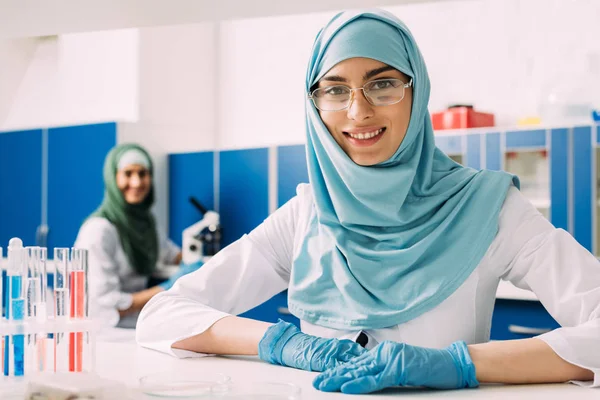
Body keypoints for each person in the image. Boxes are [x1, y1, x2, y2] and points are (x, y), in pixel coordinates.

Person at [136, 9, 600, 393]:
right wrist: (277, 343)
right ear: (314, 105)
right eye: (335, 90)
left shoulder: (489, 209)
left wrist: (461, 365)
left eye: (382, 84)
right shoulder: (306, 216)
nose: (359, 111)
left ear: (415, 91)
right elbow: (162, 316)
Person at [74, 143, 201, 329]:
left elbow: (168, 252)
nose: (136, 182)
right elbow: (105, 305)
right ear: (113, 177)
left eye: (143, 174)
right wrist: (166, 288)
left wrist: (200, 262)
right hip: (106, 333)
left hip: (137, 326)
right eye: (128, 174)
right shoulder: (98, 230)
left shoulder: (146, 224)